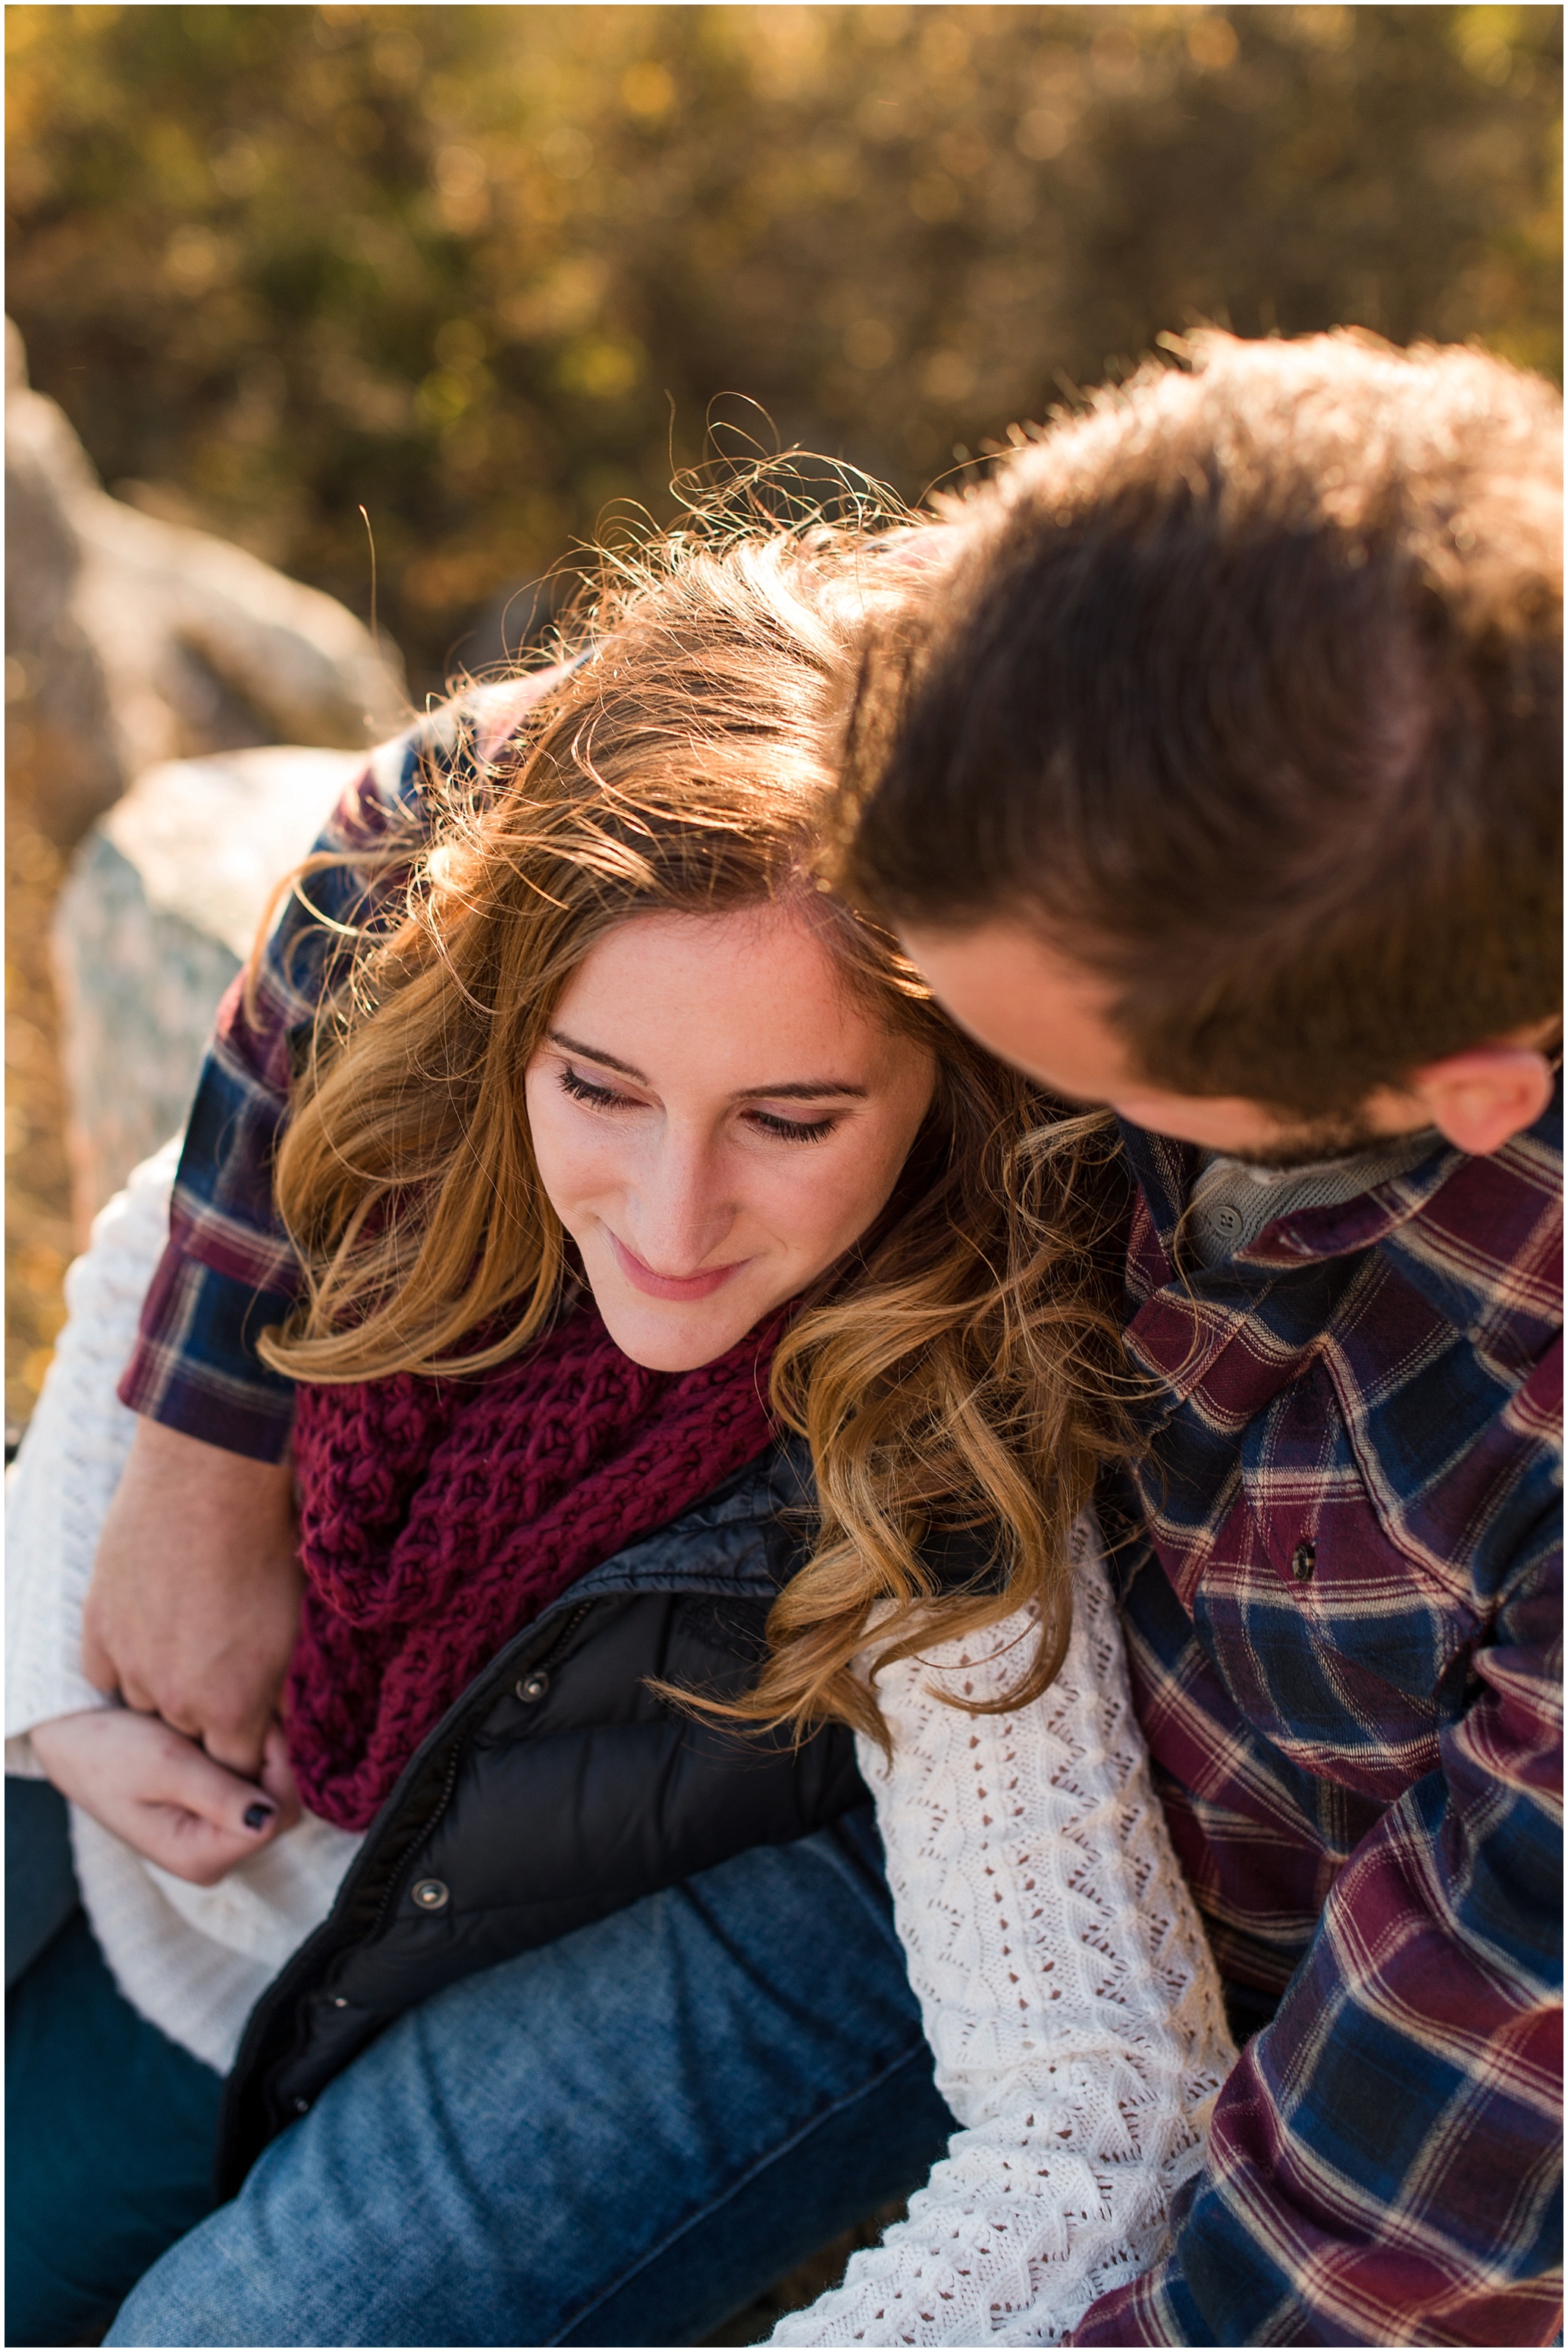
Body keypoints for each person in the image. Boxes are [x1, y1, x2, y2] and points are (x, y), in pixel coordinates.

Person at [7, 513, 1233, 2347]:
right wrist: (49, 1678)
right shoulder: (403, 1118)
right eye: (602, 1088)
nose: (671, 1220)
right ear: (512, 1022)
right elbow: (144, 1262)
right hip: (191, 1924)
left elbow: (1097, 2117)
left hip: (547, 1986)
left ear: (943, 1074)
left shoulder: (934, 1429)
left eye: (792, 1119)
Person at [817, 329, 1562, 2346]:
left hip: (1299, 2068)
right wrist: (195, 1441)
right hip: (942, 1811)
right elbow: (475, 784)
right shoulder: (1127, 680)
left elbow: (1364, 2250)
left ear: (1463, 1088)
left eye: (1069, 1071)